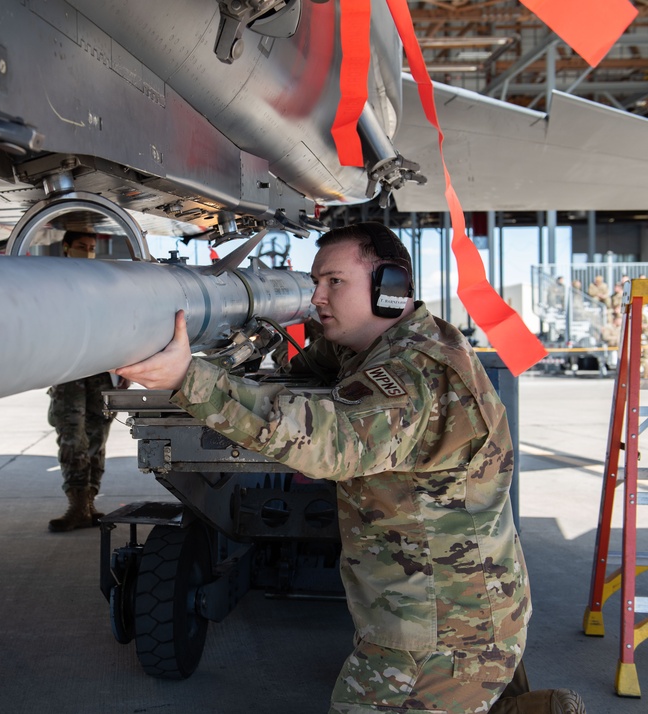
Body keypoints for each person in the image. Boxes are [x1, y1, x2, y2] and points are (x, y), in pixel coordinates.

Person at [115, 223, 585, 714]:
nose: (316, 296)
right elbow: (322, 365)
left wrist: (190, 379)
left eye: (333, 282)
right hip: (460, 610)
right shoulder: (402, 339)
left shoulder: (413, 374)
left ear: (391, 288)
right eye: (316, 282)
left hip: (439, 631)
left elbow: (328, 442)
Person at [47, 231, 128, 532]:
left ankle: (89, 503)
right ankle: (77, 504)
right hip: (69, 372)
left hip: (99, 371)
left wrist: (125, 372)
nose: (88, 253)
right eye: (82, 247)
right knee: (72, 437)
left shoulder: (100, 283)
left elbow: (118, 326)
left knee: (98, 436)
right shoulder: (55, 281)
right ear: (66, 247)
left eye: (92, 248)